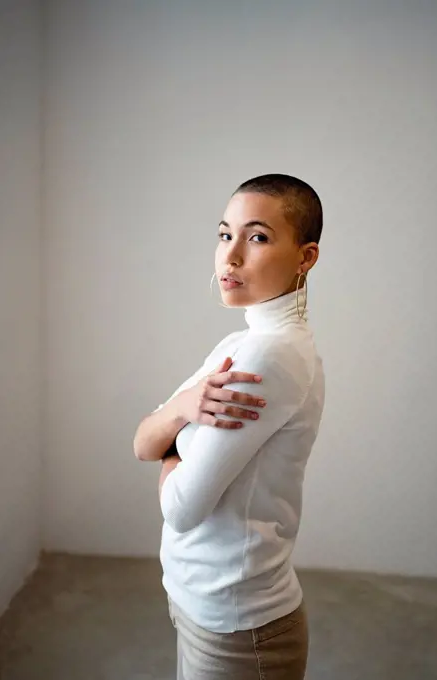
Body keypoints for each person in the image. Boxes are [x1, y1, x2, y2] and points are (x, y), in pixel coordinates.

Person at [133, 174, 325, 679]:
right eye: (225, 234)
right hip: (202, 605)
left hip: (238, 628)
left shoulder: (269, 353)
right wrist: (181, 412)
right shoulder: (238, 343)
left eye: (257, 237)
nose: (231, 256)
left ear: (306, 257)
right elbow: (141, 442)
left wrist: (171, 439)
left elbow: (180, 507)